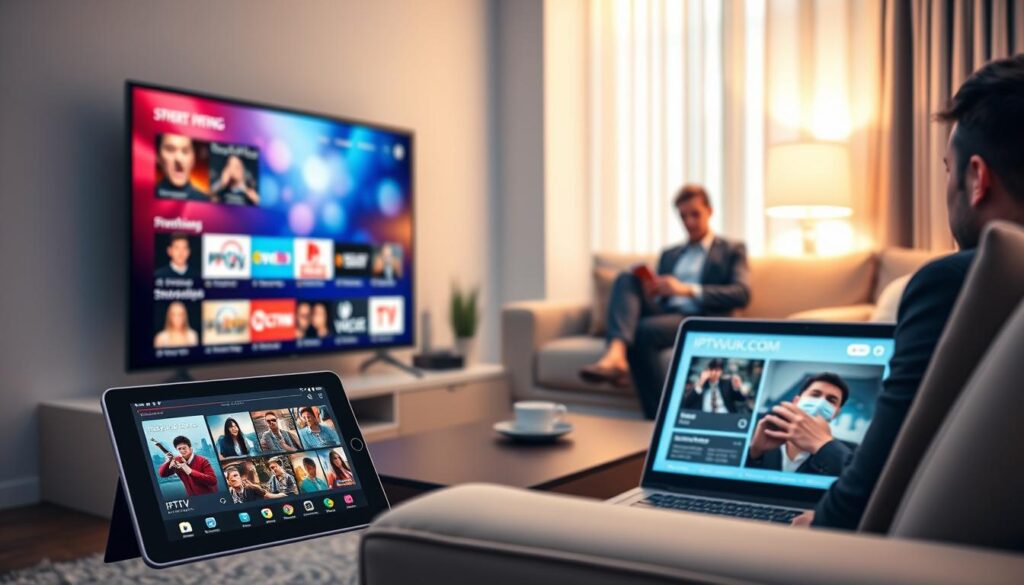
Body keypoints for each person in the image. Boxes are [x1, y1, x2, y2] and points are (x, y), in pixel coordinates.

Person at [794, 55, 1024, 530]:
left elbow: (870, 494)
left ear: (977, 179)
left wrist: (814, 530)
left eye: (948, 169)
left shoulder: (953, 284)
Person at [580, 185, 751, 419]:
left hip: (700, 316)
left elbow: (742, 293)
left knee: (643, 331)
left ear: (709, 211)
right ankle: (617, 352)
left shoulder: (731, 249)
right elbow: (660, 295)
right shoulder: (670, 254)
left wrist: (687, 290)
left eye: (695, 214)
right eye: (683, 216)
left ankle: (657, 415)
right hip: (666, 311)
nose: (689, 222)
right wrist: (654, 291)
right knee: (626, 278)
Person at [746, 373, 853, 476]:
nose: (820, 403)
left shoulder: (849, 454)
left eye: (831, 400)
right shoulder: (760, 436)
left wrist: (825, 446)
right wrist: (754, 454)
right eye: (815, 395)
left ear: (836, 413)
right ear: (796, 401)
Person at [681, 359, 749, 414]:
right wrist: (701, 382)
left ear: (721, 372)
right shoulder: (700, 384)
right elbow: (687, 403)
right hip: (704, 417)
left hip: (725, 416)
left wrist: (737, 388)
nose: (714, 373)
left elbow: (741, 399)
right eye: (711, 370)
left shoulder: (727, 383)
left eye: (717, 370)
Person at [155, 133, 209, 201]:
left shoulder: (204, 200)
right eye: (170, 150)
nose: (179, 159)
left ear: (193, 159)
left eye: (185, 151)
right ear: (158, 156)